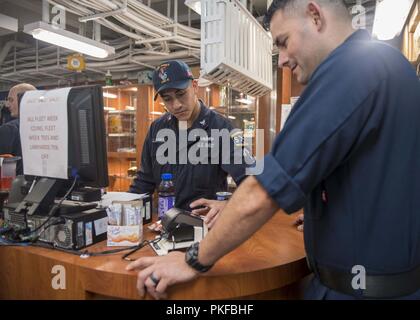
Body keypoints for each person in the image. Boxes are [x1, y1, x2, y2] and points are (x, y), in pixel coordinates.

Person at [126, 0, 420, 300]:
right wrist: (325, 211)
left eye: (283, 42)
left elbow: (260, 190)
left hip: (360, 291)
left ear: (315, 16)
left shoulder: (352, 70)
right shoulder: (390, 66)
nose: (280, 60)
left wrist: (192, 259)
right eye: (166, 98)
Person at [129, 60, 253, 228]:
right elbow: (144, 182)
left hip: (206, 229)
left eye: (181, 94)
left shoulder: (221, 129)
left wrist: (228, 206)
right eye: (168, 99)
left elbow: (250, 181)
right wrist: (122, 211)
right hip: (165, 227)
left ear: (194, 86)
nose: (176, 105)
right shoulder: (157, 129)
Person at [0, 83, 36, 175]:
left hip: (15, 186)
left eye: (11, 100)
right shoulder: (48, 127)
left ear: (24, 100)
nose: (8, 105)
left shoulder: (9, 129)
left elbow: (5, 170)